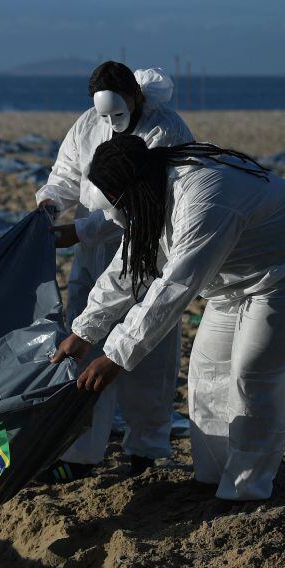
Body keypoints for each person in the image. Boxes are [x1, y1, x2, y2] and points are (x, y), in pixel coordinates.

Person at [52, 135, 285, 501]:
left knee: (254, 377)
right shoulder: (152, 193)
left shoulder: (203, 197)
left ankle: (246, 491)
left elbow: (175, 287)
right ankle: (212, 478)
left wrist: (115, 357)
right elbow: (129, 268)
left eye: (117, 207)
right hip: (232, 280)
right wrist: (84, 330)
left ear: (134, 188)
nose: (116, 218)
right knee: (207, 373)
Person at [38, 61, 194, 482]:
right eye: (103, 114)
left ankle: (145, 450)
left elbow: (144, 205)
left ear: (135, 97)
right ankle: (81, 453)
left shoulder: (165, 131)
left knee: (147, 352)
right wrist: (49, 205)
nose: (110, 123)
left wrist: (81, 230)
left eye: (117, 113)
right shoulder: (88, 124)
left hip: (148, 249)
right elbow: (66, 174)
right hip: (93, 257)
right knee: (84, 346)